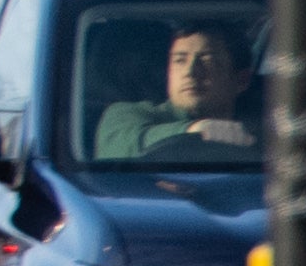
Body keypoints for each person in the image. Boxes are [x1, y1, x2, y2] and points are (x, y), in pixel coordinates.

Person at [95, 21, 260, 164]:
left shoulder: (263, 127)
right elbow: (123, 146)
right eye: (180, 60)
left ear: (241, 80)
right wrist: (194, 130)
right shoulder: (125, 114)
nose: (190, 71)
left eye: (207, 60)